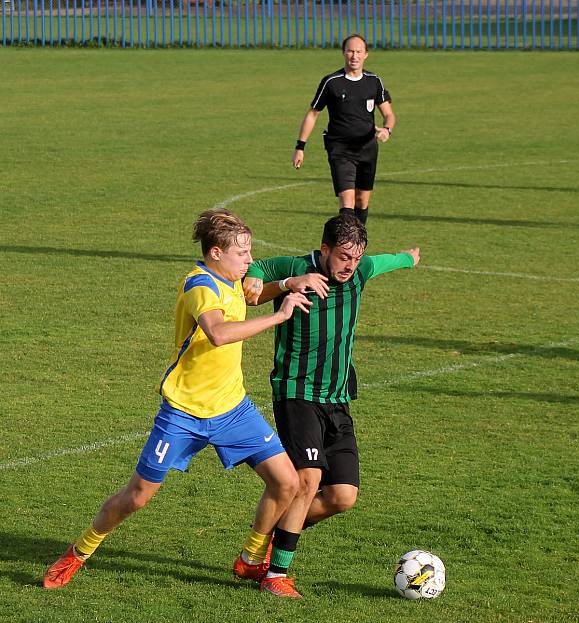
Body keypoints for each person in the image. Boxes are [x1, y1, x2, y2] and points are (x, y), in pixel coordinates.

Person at [43, 208, 312, 595]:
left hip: (233, 409)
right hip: (184, 415)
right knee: (137, 497)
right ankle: (78, 552)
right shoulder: (200, 284)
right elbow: (218, 332)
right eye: (243, 254)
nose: (251, 261)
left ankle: (251, 561)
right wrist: (280, 316)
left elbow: (247, 300)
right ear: (216, 253)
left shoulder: (230, 279)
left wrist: (286, 283)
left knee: (286, 482)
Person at [239, 213, 419, 598]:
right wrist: (267, 280)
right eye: (342, 257)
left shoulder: (360, 270)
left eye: (355, 258)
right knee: (308, 481)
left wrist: (408, 258)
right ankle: (275, 575)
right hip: (297, 393)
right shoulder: (297, 267)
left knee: (342, 497)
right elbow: (257, 269)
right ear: (324, 250)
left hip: (338, 400)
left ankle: (265, 544)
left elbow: (385, 261)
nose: (349, 266)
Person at [292, 33, 396, 227]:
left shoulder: (374, 81)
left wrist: (387, 130)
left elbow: (389, 114)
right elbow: (313, 114)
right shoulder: (331, 82)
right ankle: (347, 247)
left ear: (366, 54)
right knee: (347, 203)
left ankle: (359, 244)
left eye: (358, 51)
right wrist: (300, 146)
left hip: (367, 149)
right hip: (340, 149)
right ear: (343, 53)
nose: (354, 56)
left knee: (361, 202)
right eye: (350, 51)